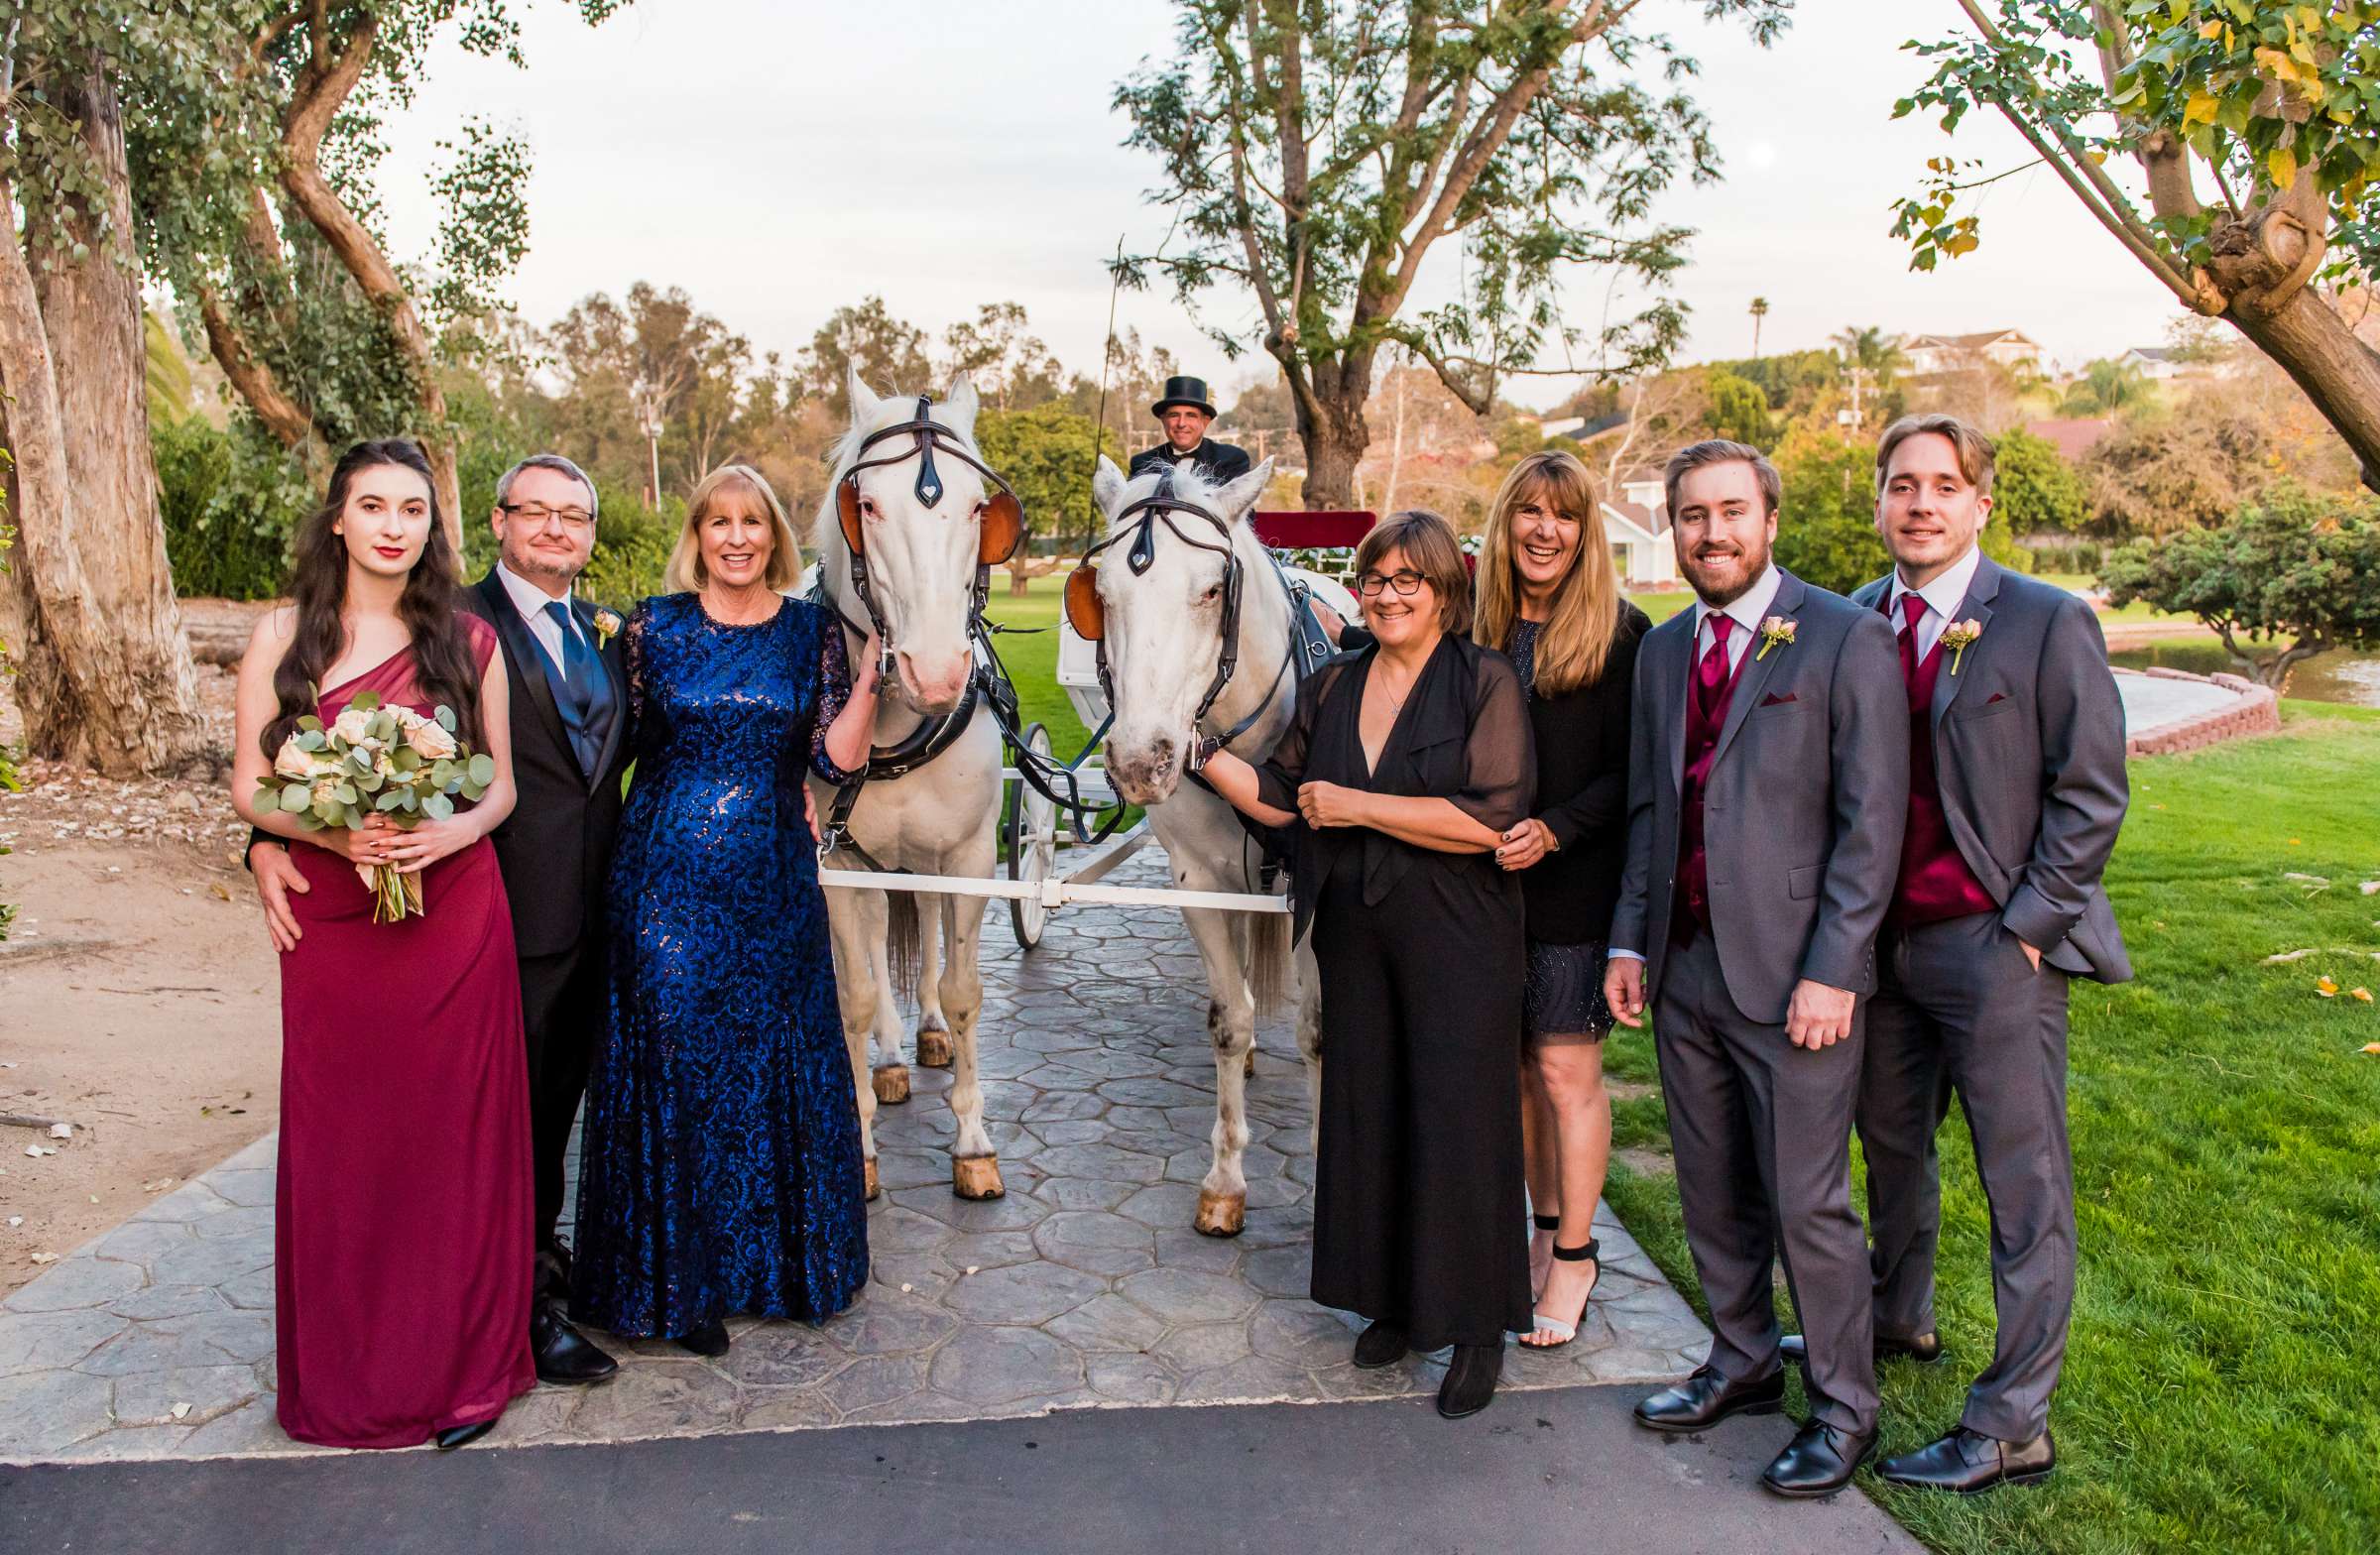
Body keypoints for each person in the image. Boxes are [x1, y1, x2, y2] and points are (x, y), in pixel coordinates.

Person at [253, 453, 632, 1388]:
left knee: (545, 1119)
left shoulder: (612, 632)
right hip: (452, 919)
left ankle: (534, 1285)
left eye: (573, 517)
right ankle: (518, 1313)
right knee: (456, 1131)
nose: (554, 530)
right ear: (497, 521)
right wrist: (267, 846)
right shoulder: (455, 622)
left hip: (586, 914)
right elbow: (270, 768)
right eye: (535, 512)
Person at [1806, 415, 2128, 1495]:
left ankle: (2013, 1420)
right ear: (1882, 501)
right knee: (1891, 1150)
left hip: (1994, 946)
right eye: (1903, 484)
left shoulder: (2043, 621)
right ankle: (1901, 1319)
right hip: (1878, 949)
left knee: (2022, 1181)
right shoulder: (1850, 621)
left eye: (1945, 484)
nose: (1922, 503)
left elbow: (2091, 792)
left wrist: (2032, 926)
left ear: (1982, 502)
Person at [1604, 440, 1907, 1498]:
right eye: (1691, 515)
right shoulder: (1663, 651)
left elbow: (1873, 828)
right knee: (1711, 1185)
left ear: (1769, 520)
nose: (1710, 532)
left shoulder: (1847, 639)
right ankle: (1739, 1359)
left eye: (1731, 511)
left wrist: (1836, 968)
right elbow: (1651, 806)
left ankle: (1843, 1403)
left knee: (1808, 1198)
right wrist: (1632, 940)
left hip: (1796, 980)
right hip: (1686, 969)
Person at [1197, 509, 1534, 1421]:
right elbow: (1281, 800)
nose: (1387, 595)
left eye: (1407, 580)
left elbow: (1490, 819)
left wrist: (1360, 804)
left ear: (1445, 591)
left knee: (1459, 1124)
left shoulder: (1483, 682)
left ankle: (1473, 1329)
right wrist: (1194, 750)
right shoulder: (1335, 688)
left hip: (1459, 935)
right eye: (1375, 579)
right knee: (1370, 1110)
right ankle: (1390, 1301)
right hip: (1354, 930)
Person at [228, 438, 531, 1452]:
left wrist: (448, 829)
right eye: (374, 505)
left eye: (413, 508)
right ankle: (353, 1378)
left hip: (453, 914)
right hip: (333, 924)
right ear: (338, 519)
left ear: (430, 527)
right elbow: (251, 786)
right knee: (345, 1143)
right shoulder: (282, 635)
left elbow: (501, 785)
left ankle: (466, 1370)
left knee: (456, 1143)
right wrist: (326, 831)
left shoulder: (467, 640)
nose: (395, 525)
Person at [570, 464, 882, 1356]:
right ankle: (676, 1286)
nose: (737, 537)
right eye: (719, 523)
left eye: (752, 522)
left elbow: (836, 758)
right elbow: (605, 752)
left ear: (773, 535)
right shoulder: (650, 628)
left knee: (765, 1065)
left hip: (772, 883)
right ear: (698, 536)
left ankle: (772, 1273)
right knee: (674, 1064)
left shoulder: (810, 633)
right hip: (662, 881)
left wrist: (866, 682)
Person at [1472, 451, 1651, 1351]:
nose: (1545, 529)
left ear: (1588, 532)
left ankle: (1577, 1254)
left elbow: (1635, 774)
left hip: (1573, 884)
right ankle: (1542, 1234)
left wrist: (1556, 828)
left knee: (1564, 1072)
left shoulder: (1624, 635)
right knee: (1512, 1076)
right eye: (1528, 512)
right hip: (1479, 889)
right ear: (1504, 525)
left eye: (1566, 515)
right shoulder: (1473, 627)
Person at [1128, 375, 1252, 484]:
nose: (1181, 423)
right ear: (1163, 420)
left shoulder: (1232, 459)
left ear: (1205, 422)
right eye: (1174, 415)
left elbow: (1243, 510)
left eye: (1191, 415)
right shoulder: (1141, 464)